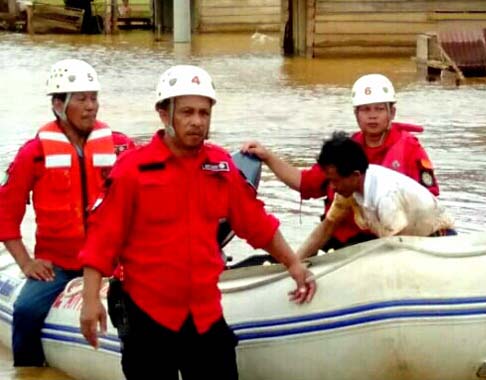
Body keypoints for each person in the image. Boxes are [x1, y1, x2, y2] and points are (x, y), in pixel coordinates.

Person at [78, 65, 316, 380]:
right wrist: (90, 299)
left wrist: (294, 264)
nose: (197, 122)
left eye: (204, 113)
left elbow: (255, 222)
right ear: (164, 114)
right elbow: (102, 238)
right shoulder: (132, 170)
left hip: (204, 314)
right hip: (148, 314)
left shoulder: (220, 167)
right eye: (187, 112)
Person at [0, 59, 134, 367]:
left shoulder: (120, 146)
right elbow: (6, 214)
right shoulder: (33, 154)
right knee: (26, 311)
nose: (91, 107)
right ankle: (30, 370)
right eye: (82, 99)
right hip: (59, 264)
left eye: (94, 97)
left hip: (111, 260)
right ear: (59, 105)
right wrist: (26, 262)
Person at [242, 73, 440, 251]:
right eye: (365, 109)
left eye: (379, 109)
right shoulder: (345, 149)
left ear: (392, 113)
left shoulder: (409, 149)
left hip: (384, 240)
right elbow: (305, 183)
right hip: (340, 241)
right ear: (356, 114)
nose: (372, 115)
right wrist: (267, 156)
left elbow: (426, 205)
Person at [297, 132, 454, 259]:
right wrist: (295, 264)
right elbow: (327, 227)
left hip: (436, 242)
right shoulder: (349, 190)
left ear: (355, 175)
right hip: (407, 240)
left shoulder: (385, 197)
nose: (332, 187)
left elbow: (397, 248)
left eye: (335, 181)